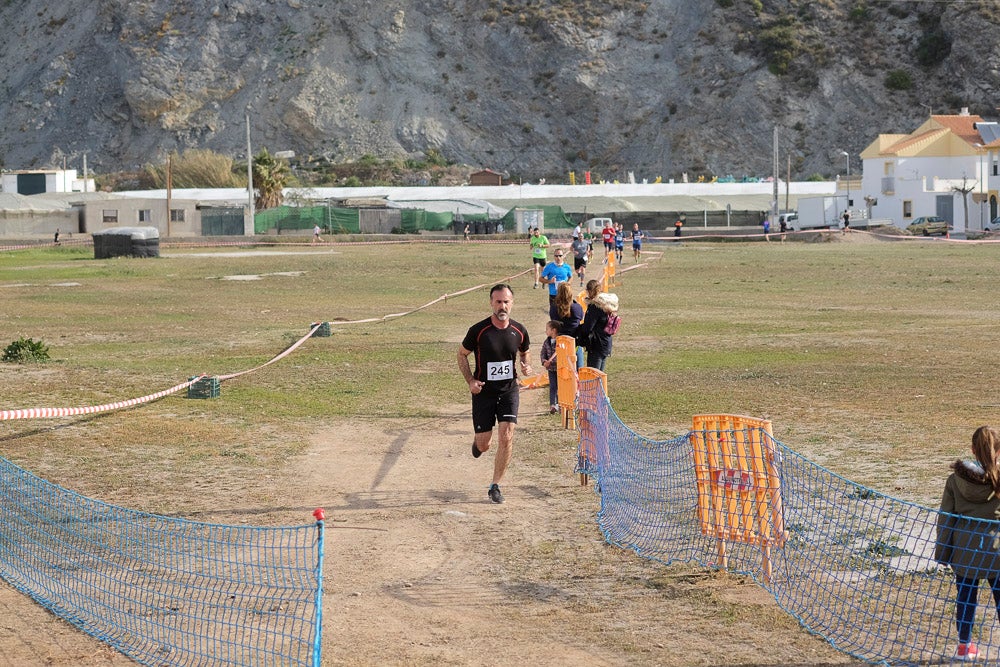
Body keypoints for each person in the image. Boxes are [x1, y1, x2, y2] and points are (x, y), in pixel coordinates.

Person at [457, 284, 531, 505]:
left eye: (506, 301)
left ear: (512, 303)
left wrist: (526, 365)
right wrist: (470, 381)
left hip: (509, 391)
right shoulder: (478, 330)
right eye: (498, 302)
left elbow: (525, 353)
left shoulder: (519, 330)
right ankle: (479, 444)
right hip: (484, 393)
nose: (503, 306)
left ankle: (495, 485)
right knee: (484, 444)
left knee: (507, 435)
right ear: (491, 303)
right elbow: (461, 355)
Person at [935, 425, 1000, 661]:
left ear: (973, 450)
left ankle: (965, 647)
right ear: (999, 451)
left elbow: (946, 519)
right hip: (997, 553)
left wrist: (942, 553)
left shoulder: (955, 480)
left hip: (965, 552)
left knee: (965, 597)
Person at [575, 279, 619, 372]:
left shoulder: (595, 307)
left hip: (596, 344)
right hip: (606, 342)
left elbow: (588, 327)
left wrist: (578, 331)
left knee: (594, 374)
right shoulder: (606, 304)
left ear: (590, 291)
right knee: (600, 375)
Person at [549, 281, 584, 369]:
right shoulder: (576, 308)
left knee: (562, 370)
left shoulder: (553, 308)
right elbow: (580, 318)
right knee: (578, 369)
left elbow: (552, 320)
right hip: (575, 341)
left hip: (560, 342)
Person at [540, 321, 560, 414]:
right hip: (551, 370)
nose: (545, 331)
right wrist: (544, 361)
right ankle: (553, 405)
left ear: (553, 330)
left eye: (547, 329)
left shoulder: (561, 341)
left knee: (561, 387)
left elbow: (560, 352)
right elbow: (543, 352)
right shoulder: (546, 341)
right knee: (553, 386)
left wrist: (551, 360)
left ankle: (561, 404)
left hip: (560, 369)